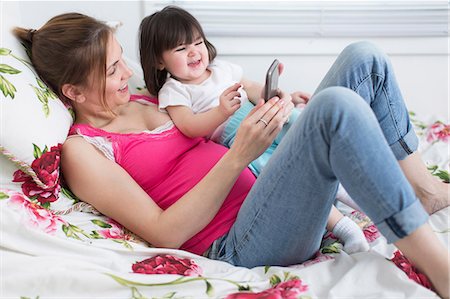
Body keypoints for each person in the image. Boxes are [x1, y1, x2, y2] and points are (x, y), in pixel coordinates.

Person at [14, 12, 450, 298]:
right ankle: (438, 266)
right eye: (111, 70)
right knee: (335, 110)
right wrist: (238, 156)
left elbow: (213, 111)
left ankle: (424, 191)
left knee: (364, 59)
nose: (128, 72)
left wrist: (273, 106)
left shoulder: (146, 99)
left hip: (270, 190)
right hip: (242, 242)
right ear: (72, 92)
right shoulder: (83, 149)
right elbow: (163, 232)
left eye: (121, 59)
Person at [138, 5, 369, 254]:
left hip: (266, 115)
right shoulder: (175, 91)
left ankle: (357, 193)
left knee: (310, 134)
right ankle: (346, 228)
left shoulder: (221, 69)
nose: (194, 52)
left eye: (198, 42)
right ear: (159, 61)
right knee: (284, 171)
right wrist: (220, 113)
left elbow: (250, 87)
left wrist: (282, 94)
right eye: (181, 48)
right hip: (241, 137)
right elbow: (189, 127)